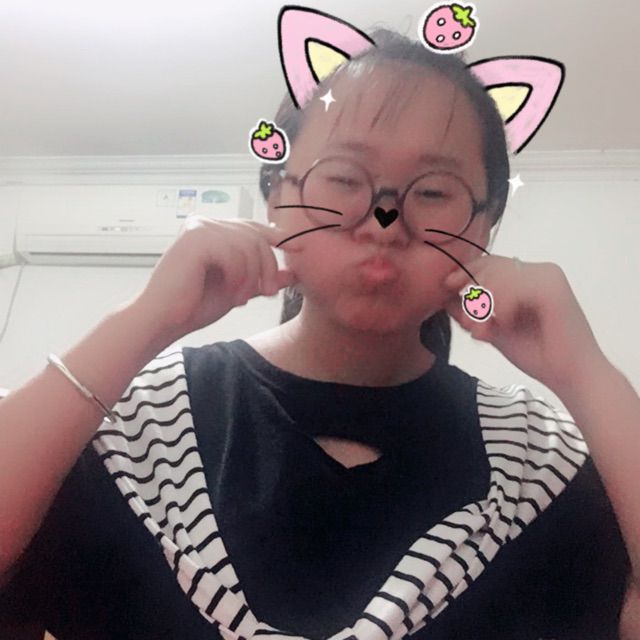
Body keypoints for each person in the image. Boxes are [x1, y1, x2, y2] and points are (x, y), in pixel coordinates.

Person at [0, 27, 638, 640]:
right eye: (343, 178)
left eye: (434, 192)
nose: (384, 221)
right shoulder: (130, 429)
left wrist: (589, 376)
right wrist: (141, 321)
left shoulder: (536, 467)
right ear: (276, 197)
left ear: (484, 227)